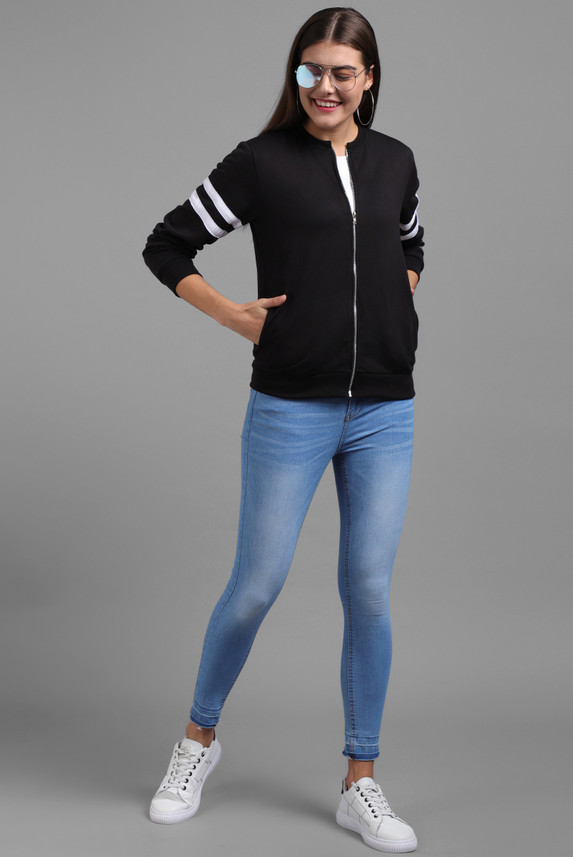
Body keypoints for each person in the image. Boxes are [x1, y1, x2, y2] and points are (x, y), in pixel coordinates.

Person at [142, 7, 424, 852]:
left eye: (342, 72)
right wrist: (235, 315)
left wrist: (392, 308)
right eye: (311, 71)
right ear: (296, 76)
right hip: (291, 406)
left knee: (367, 589)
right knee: (257, 583)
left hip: (385, 409)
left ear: (368, 78)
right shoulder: (261, 162)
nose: (325, 86)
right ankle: (197, 740)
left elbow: (412, 245)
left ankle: (360, 780)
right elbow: (167, 245)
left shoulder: (397, 160)